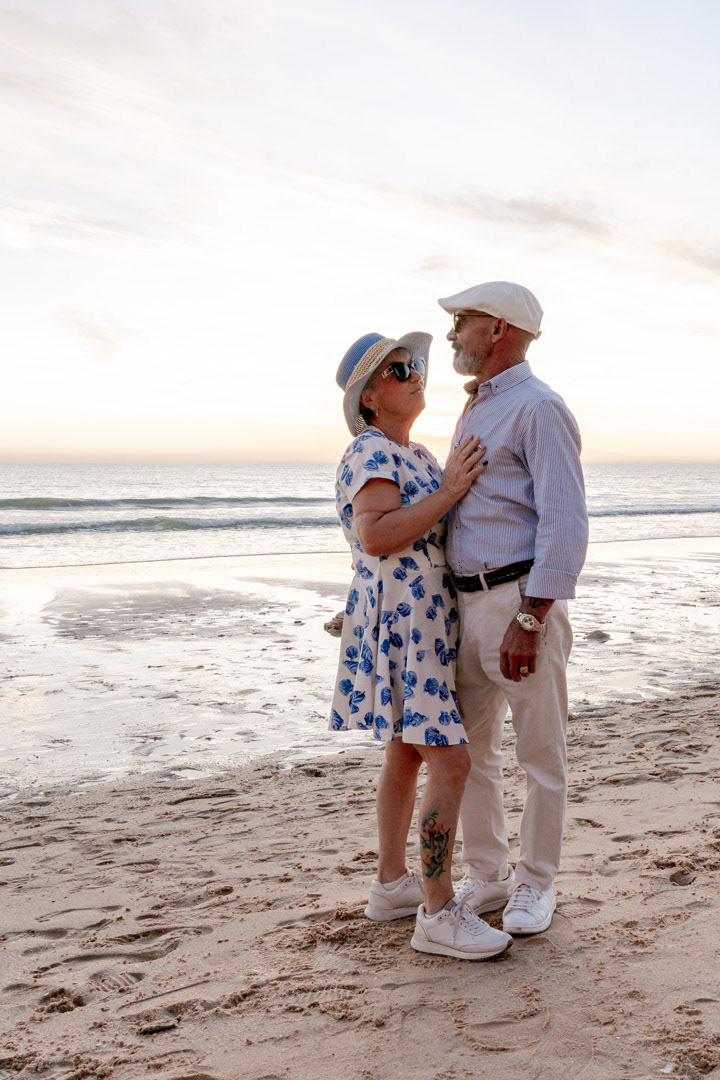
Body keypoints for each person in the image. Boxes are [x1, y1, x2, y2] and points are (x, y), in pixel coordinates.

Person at [331, 330, 512, 960]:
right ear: (371, 397)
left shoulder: (417, 453)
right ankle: (437, 909)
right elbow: (377, 536)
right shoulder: (370, 452)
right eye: (400, 369)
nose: (417, 375)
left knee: (407, 753)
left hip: (423, 621)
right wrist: (450, 492)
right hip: (408, 627)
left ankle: (391, 885)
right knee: (451, 760)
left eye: (416, 367)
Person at [436, 281, 589, 936]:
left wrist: (531, 616)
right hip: (466, 608)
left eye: (461, 321)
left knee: (539, 753)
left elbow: (566, 521)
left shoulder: (538, 407)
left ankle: (537, 884)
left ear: (496, 329)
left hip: (518, 604)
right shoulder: (477, 408)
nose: (451, 333)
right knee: (470, 755)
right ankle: (491, 874)